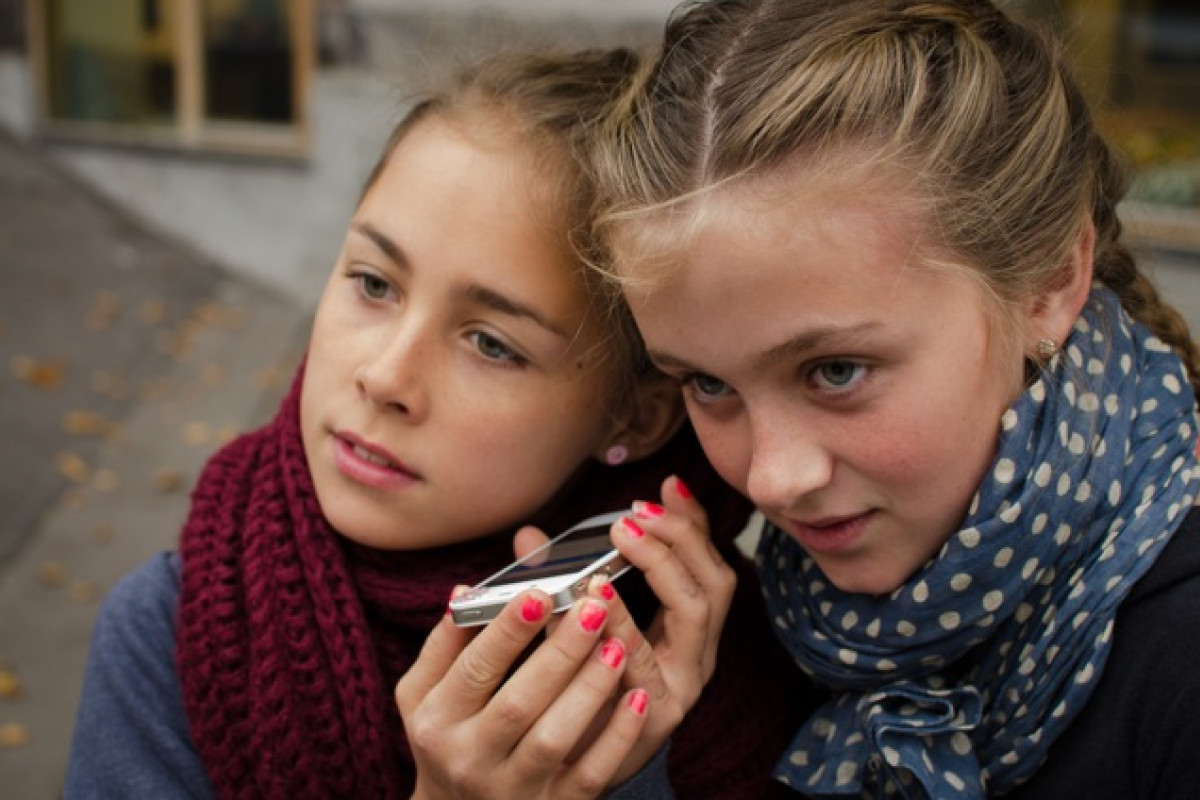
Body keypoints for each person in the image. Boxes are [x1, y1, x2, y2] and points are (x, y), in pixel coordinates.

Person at [65, 48, 815, 799]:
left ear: (637, 417)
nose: (385, 376)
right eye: (373, 283)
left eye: (492, 344)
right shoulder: (167, 638)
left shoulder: (749, 669)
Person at [590, 1, 1200, 797]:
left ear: (1049, 283)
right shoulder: (764, 636)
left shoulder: (1179, 666)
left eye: (836, 371)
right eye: (708, 384)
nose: (775, 479)